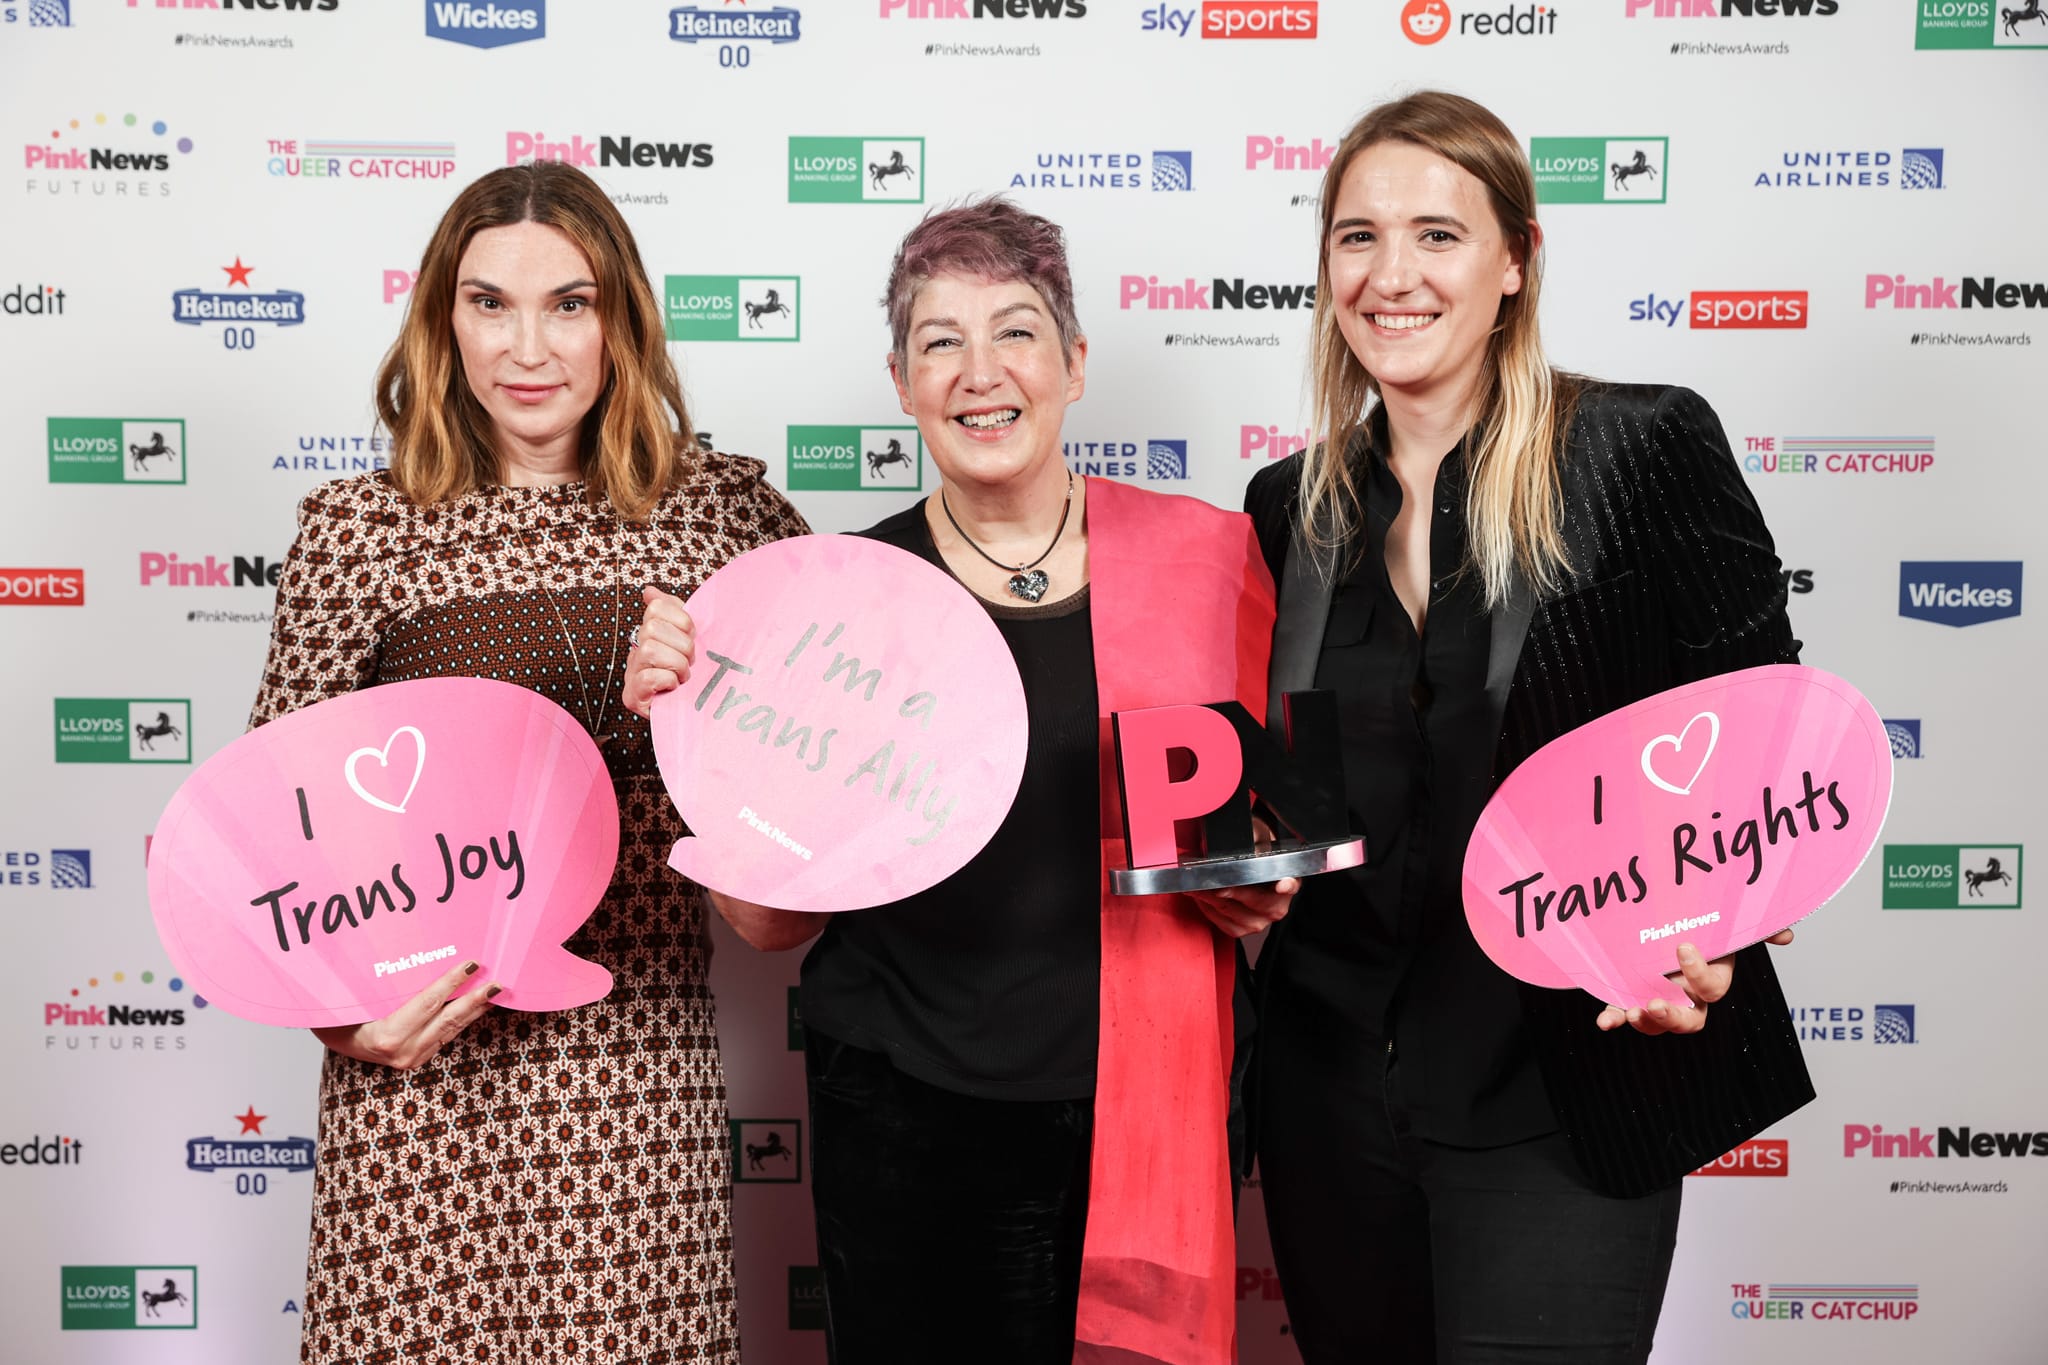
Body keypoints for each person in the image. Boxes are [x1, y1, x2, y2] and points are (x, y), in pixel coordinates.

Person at [624, 197, 1288, 1365]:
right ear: (899, 379)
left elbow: (1272, 818)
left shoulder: (1207, 559)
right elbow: (774, 925)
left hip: (1144, 1108)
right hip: (905, 1117)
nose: (981, 373)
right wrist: (692, 739)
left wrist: (1267, 883)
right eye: (940, 341)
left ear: (1075, 363)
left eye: (1016, 331)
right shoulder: (835, 597)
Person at [1242, 92, 1815, 1363]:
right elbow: (1299, 787)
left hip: (1561, 1082)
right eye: (1355, 237)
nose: (1390, 276)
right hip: (1329, 1094)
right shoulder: (1289, 504)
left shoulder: (1639, 446)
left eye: (1437, 235)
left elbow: (1769, 741)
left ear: (1515, 263)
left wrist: (1710, 935)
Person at [249, 161, 808, 1364]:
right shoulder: (362, 528)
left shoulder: (724, 521)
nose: (528, 346)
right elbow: (271, 840)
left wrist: (704, 705)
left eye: (569, 302)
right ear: (441, 325)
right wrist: (340, 1024)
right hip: (421, 1081)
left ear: (622, 322)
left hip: (632, 1068)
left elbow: (820, 791)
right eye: (487, 303)